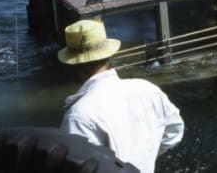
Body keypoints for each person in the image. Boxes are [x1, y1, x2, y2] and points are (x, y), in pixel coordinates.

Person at [58, 19, 184, 173]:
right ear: (109, 56)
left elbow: (75, 166)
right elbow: (174, 131)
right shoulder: (147, 90)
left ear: (73, 64)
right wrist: (145, 156)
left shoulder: (78, 115)